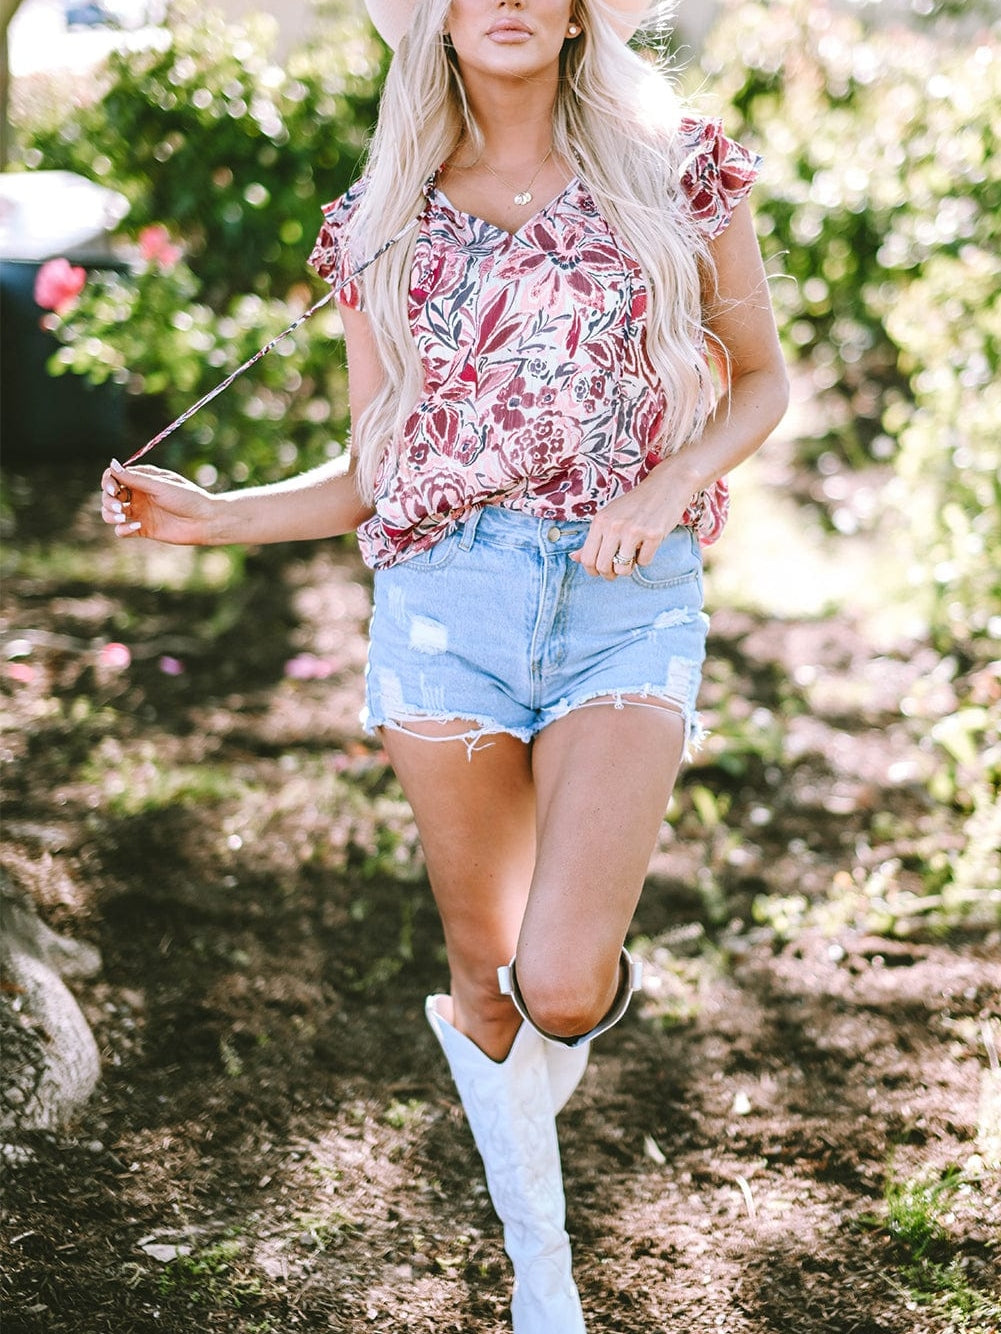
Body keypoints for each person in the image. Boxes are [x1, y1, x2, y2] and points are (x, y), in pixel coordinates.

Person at [101, 0, 789, 1327]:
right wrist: (218, 513)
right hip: (443, 606)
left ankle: (552, 1064)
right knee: (484, 982)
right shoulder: (385, 212)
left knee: (560, 980)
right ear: (436, 18)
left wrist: (675, 479)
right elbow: (374, 469)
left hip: (622, 596)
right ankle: (547, 1275)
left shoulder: (680, 162)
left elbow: (759, 379)